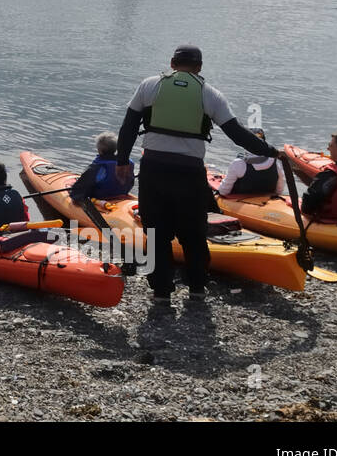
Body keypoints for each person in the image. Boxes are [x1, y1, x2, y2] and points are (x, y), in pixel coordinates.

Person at [115, 45, 279, 304]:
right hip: (190, 172)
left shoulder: (149, 85)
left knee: (157, 231)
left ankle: (161, 291)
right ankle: (197, 288)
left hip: (154, 169)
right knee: (192, 232)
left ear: (172, 63)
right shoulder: (210, 94)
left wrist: (122, 160)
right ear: (200, 67)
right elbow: (236, 134)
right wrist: (269, 150)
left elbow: (128, 127)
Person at [216, 129, 285, 197]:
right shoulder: (276, 161)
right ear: (264, 143)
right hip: (268, 201)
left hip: (241, 203)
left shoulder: (238, 163)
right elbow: (279, 190)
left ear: (246, 143)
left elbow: (223, 192)